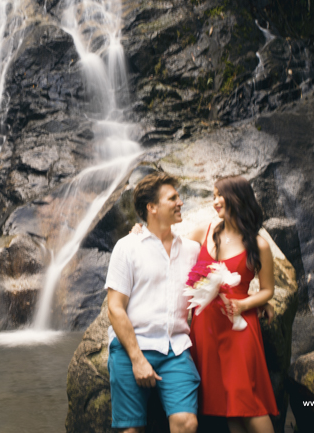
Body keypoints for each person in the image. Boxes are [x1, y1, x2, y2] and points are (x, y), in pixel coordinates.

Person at [105, 172, 201, 433]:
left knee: (187, 423)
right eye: (173, 198)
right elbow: (115, 307)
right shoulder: (127, 247)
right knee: (131, 429)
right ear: (152, 208)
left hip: (175, 350)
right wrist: (137, 359)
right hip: (131, 348)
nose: (180, 202)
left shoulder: (192, 250)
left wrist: (260, 299)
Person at [186, 175, 278, 433]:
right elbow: (170, 248)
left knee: (247, 399)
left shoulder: (259, 244)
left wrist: (247, 303)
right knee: (229, 404)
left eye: (220, 195)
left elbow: (268, 290)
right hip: (207, 326)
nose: (215, 201)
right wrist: (139, 233)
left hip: (239, 327)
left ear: (237, 198)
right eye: (213, 196)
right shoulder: (204, 231)